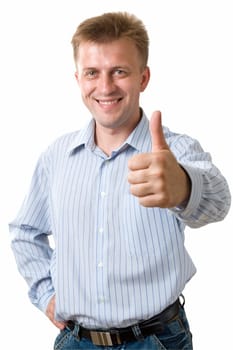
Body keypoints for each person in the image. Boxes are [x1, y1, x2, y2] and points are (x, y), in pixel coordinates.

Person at [9, 12, 231, 350]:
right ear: (78, 79)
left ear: (143, 78)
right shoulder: (56, 157)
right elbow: (25, 231)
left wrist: (183, 186)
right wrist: (46, 294)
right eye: (92, 73)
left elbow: (220, 202)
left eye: (119, 72)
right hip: (76, 341)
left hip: (157, 340)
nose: (105, 87)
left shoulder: (175, 151)